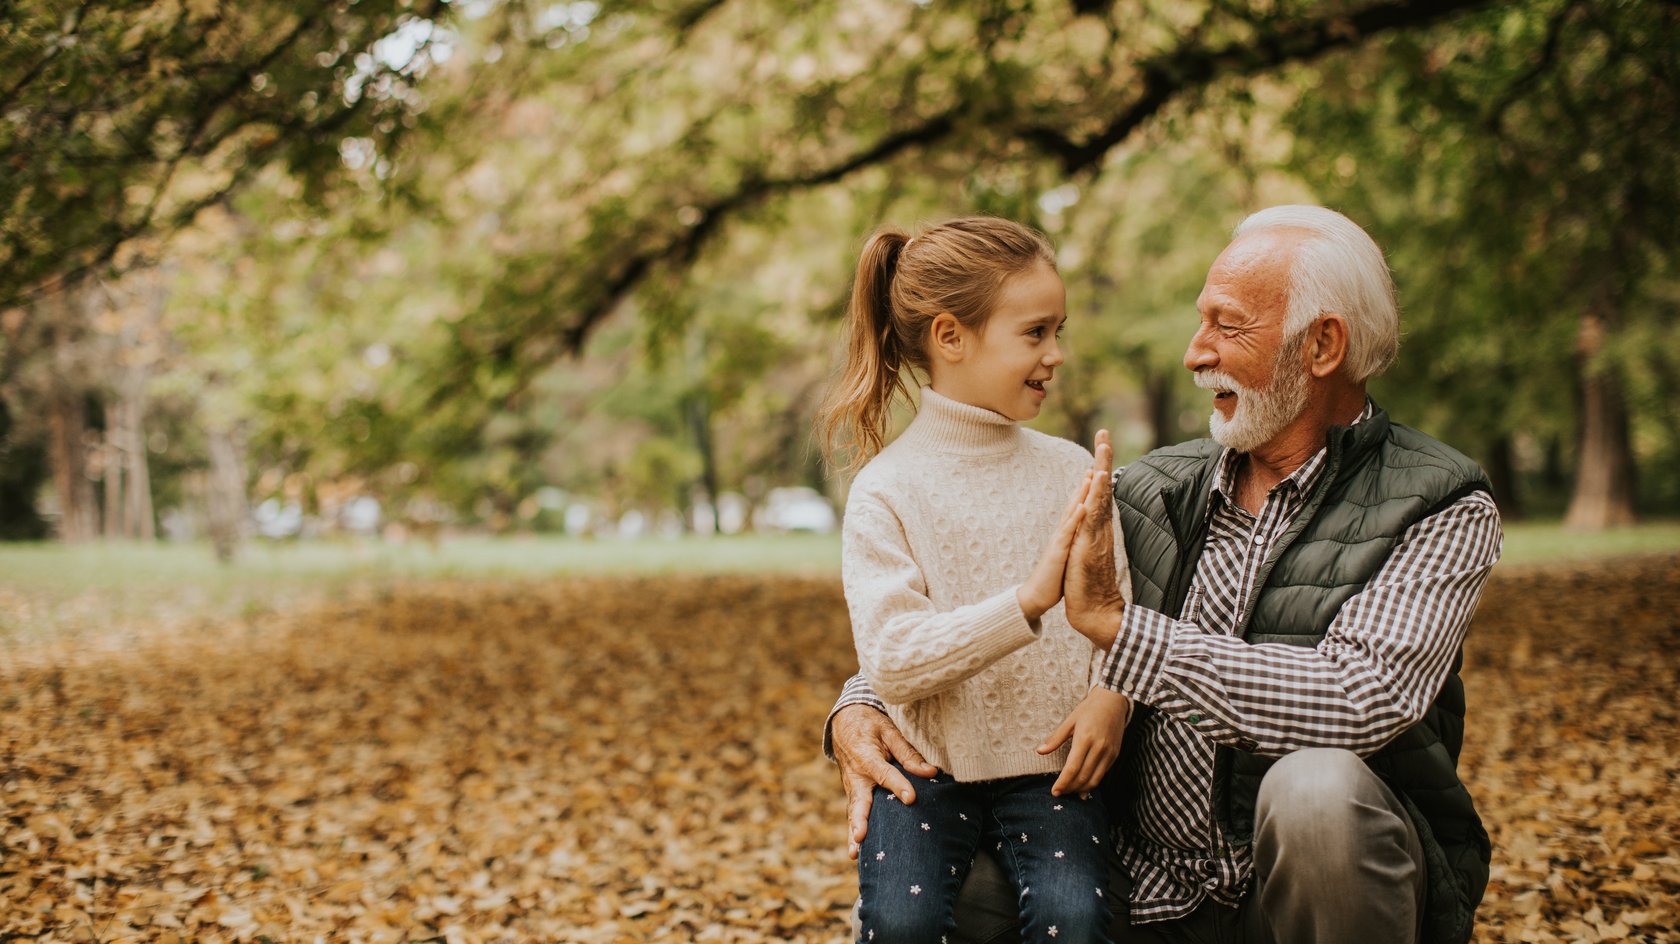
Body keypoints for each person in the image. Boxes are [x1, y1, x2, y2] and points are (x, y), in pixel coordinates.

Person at [826, 206, 1503, 944]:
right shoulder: (1149, 490)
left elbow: (1362, 697)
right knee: (911, 898)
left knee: (1317, 792)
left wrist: (1128, 636)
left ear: (1322, 344)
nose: (1194, 352)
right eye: (1199, 321)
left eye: (1227, 323)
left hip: (1301, 897)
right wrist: (857, 707)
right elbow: (993, 596)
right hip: (1137, 884)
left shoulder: (1441, 504)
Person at [817, 216, 1135, 944]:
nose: (1056, 354)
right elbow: (892, 658)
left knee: (1075, 919)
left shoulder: (1068, 471)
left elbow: (1120, 611)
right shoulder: (887, 489)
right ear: (950, 337)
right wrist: (1024, 603)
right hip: (925, 769)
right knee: (901, 922)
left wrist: (1112, 696)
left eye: (1059, 330)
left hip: (1054, 771)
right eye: (1034, 333)